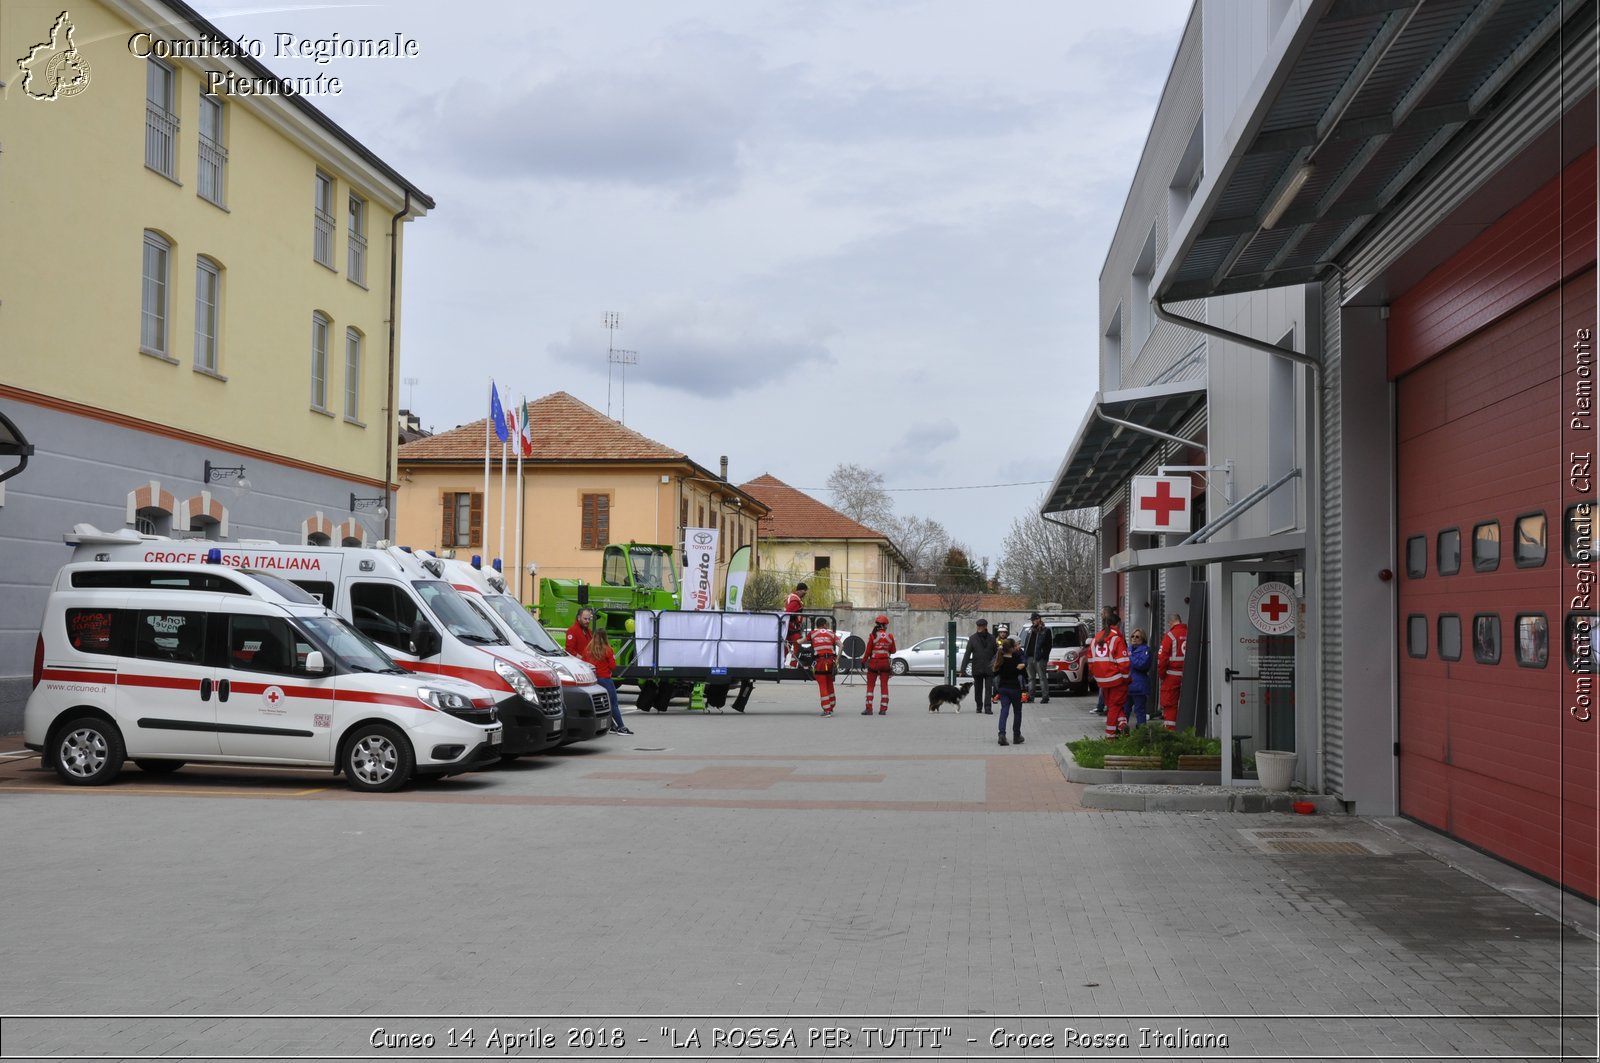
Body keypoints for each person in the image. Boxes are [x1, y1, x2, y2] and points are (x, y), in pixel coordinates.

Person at [1085, 606, 1130, 738]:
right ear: (1117, 624)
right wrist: (1126, 678)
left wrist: (1097, 675)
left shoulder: (1096, 638)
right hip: (1116, 678)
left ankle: (1121, 723)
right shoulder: (1117, 639)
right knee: (1115, 705)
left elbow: (1091, 660)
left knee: (1112, 704)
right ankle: (1110, 734)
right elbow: (1124, 663)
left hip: (1102, 680)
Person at [585, 627, 632, 735]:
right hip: (605, 679)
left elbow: (584, 663)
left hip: (594, 681)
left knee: (603, 705)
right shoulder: (607, 649)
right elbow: (613, 666)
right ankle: (621, 727)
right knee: (613, 704)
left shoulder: (587, 649)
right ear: (605, 637)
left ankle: (611, 726)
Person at [958, 618, 998, 716]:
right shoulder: (972, 638)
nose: (979, 628)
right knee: (978, 689)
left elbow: (996, 654)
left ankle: (988, 708)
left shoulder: (992, 638)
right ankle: (979, 707)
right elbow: (967, 654)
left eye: (981, 626)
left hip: (989, 668)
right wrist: (963, 669)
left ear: (985, 627)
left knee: (989, 689)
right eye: (978, 626)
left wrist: (996, 665)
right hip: (977, 667)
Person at [1156, 612, 1188, 731]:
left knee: (1170, 705)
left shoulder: (1169, 636)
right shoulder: (1190, 633)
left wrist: (1162, 675)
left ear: (1170, 622)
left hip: (1172, 676)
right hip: (1188, 676)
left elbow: (1162, 658)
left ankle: (1170, 731)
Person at [993, 637, 1026, 746]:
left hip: (1003, 689)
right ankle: (1016, 736)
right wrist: (1020, 668)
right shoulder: (1016, 658)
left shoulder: (1000, 659)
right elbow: (1024, 674)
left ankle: (1001, 734)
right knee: (1017, 712)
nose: (1017, 648)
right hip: (1014, 689)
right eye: (1015, 646)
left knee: (1004, 711)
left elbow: (995, 674)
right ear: (1011, 649)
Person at [862, 613, 896, 715]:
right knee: (884, 685)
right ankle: (883, 709)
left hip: (874, 663)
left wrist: (863, 661)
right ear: (885, 625)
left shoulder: (873, 636)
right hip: (885, 663)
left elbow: (868, 651)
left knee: (870, 686)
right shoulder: (890, 636)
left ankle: (869, 709)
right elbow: (893, 651)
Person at [810, 617, 839, 716]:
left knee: (822, 685)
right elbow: (842, 645)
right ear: (824, 625)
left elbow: (801, 641)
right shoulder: (831, 633)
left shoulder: (813, 633)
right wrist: (837, 659)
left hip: (820, 662)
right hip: (831, 661)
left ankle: (827, 710)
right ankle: (831, 705)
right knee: (829, 683)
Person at [1022, 612, 1053, 704]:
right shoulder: (1030, 630)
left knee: (1042, 677)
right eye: (1032, 620)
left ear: (1039, 619)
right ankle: (1031, 697)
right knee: (1031, 678)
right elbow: (1027, 643)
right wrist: (1025, 656)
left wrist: (1043, 656)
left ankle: (1045, 697)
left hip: (1040, 659)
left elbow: (1048, 646)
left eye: (1034, 620)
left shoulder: (1045, 631)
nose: (1033, 622)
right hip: (1030, 657)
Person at [1126, 628, 1152, 729]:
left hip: (1139, 687)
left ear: (1143, 639)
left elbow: (1142, 664)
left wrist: (1130, 656)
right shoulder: (1129, 649)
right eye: (1132, 636)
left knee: (1140, 711)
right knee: (1124, 711)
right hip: (1127, 686)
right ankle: (1122, 733)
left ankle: (1142, 734)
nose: (1134, 639)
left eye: (1137, 637)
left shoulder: (1145, 650)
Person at [784, 581, 808, 666]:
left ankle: (781, 663)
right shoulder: (795, 600)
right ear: (800, 590)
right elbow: (788, 612)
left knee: (786, 646)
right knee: (797, 645)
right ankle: (793, 664)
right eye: (804, 591)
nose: (805, 594)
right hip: (793, 627)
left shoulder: (791, 597)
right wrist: (796, 620)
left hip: (789, 626)